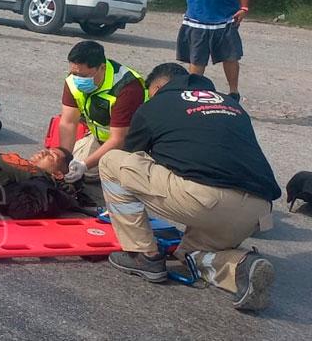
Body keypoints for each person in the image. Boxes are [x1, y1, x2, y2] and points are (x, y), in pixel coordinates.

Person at [99, 63, 281, 311]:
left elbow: (132, 156)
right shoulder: (231, 104)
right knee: (190, 254)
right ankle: (242, 268)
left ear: (158, 87)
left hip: (206, 202)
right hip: (259, 211)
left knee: (112, 162)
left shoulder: (155, 105)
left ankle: (143, 256)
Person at [58, 41, 146, 182]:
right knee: (69, 166)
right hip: (99, 139)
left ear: (102, 68)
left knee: (88, 172)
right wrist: (63, 160)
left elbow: (119, 139)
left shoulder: (127, 88)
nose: (78, 80)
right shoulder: (73, 80)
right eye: (74, 73)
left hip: (130, 145)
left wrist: (84, 165)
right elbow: (68, 123)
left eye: (85, 76)